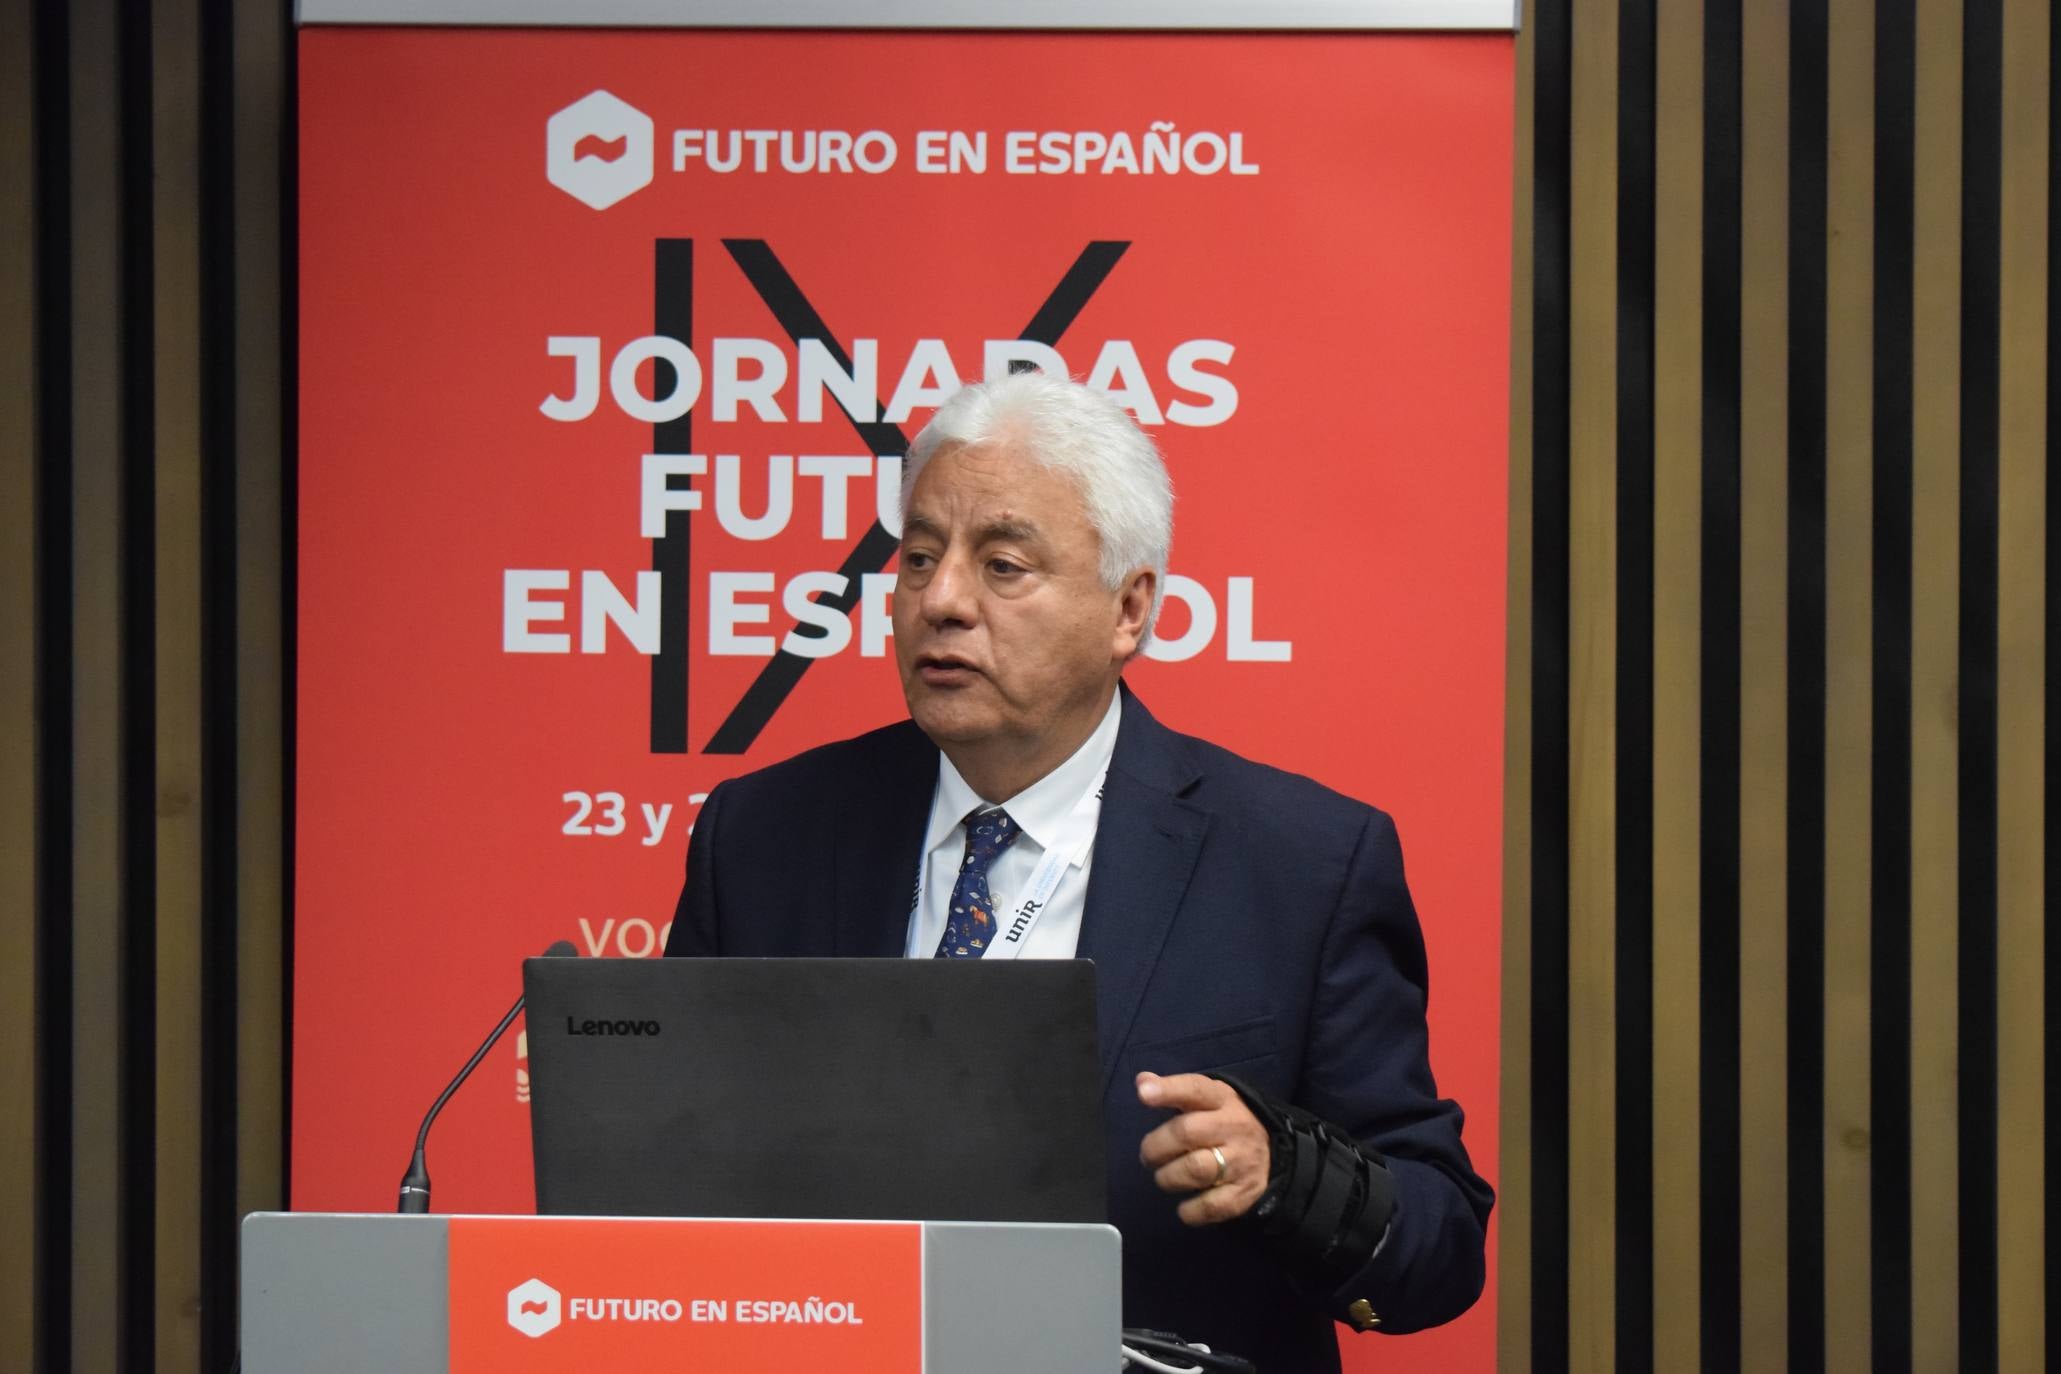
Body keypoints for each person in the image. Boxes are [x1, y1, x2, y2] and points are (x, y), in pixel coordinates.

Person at [664, 371, 1491, 1370]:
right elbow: (664, 1194)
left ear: (1128, 610)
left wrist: (1284, 1177)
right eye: (918, 557)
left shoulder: (1300, 864)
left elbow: (1440, 1243)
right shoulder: (765, 838)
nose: (943, 600)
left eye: (1003, 565)